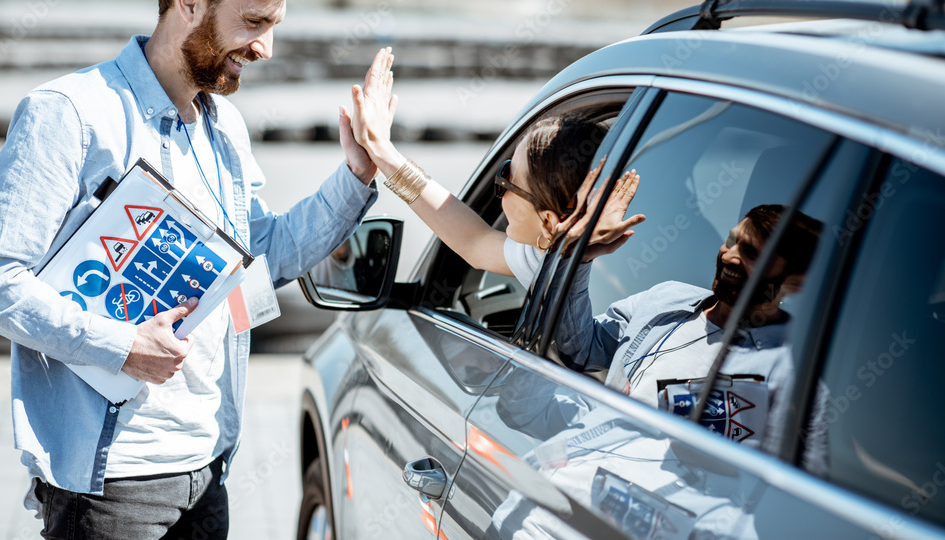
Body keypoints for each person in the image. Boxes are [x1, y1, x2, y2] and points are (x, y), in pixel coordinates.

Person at [0, 0, 382, 539]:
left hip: (208, 470)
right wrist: (120, 347)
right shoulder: (71, 114)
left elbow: (263, 256)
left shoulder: (224, 128)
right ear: (188, 0)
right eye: (253, 22)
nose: (265, 48)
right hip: (111, 487)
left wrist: (358, 174)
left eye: (273, 26)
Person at [346, 48, 646, 281]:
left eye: (506, 178)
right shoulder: (558, 255)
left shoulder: (556, 263)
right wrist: (380, 149)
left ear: (549, 223)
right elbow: (474, 242)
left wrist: (380, 148)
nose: (497, 191)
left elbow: (475, 242)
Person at [553, 203, 822, 448]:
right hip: (585, 472)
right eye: (731, 240)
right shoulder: (666, 299)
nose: (729, 256)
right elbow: (581, 350)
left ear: (795, 282)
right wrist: (580, 258)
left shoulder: (795, 377)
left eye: (752, 254)